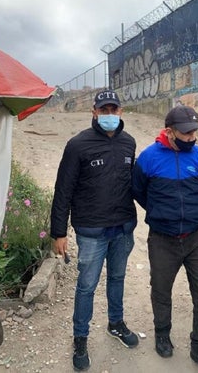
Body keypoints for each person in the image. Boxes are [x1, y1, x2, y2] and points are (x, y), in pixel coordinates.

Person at [49, 89, 139, 372]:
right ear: (94, 112)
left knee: (117, 278)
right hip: (92, 231)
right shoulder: (78, 145)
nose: (109, 114)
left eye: (113, 110)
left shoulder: (129, 143)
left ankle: (116, 323)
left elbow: (135, 183)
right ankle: (80, 338)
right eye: (104, 110)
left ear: (120, 112)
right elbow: (63, 190)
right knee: (87, 286)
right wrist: (58, 232)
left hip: (122, 228)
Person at [131, 105, 198, 373]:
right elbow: (138, 192)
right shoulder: (148, 158)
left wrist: (194, 215)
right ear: (169, 131)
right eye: (185, 133)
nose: (191, 138)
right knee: (161, 290)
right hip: (163, 239)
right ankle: (162, 334)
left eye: (194, 132)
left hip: (197, 238)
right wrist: (162, 214)